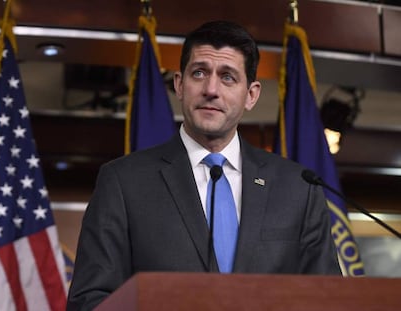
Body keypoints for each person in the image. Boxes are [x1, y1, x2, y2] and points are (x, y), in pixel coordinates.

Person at [66, 20, 341, 310]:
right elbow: (90, 301)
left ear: (251, 95)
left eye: (228, 77)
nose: (211, 89)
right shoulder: (123, 182)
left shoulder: (299, 187)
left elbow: (328, 299)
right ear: (179, 84)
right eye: (199, 73)